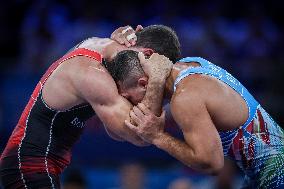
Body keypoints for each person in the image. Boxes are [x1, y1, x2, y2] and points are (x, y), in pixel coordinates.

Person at [0, 25, 181, 189]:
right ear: (148, 54)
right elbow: (141, 135)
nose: (146, 87)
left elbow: (116, 132)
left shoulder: (104, 52)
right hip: (28, 165)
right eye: (147, 81)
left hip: (39, 164)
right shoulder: (92, 74)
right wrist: (157, 81)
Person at [106, 50, 284, 188]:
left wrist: (157, 136)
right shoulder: (192, 63)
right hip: (264, 173)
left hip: (276, 176)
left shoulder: (185, 97)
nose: (132, 106)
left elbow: (211, 164)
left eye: (129, 99)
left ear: (144, 84)